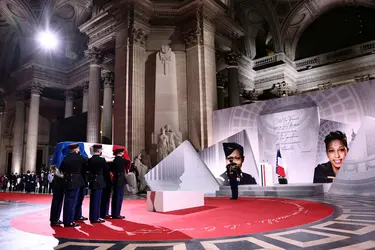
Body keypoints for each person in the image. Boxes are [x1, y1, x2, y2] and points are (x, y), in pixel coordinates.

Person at [60, 143, 87, 227]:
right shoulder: (80, 158)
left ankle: (66, 220)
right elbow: (86, 165)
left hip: (67, 180)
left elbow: (61, 169)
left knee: (67, 201)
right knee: (73, 202)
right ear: (76, 149)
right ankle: (69, 221)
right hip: (76, 181)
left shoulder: (65, 158)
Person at [88, 144, 108, 223]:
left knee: (93, 200)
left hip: (93, 180)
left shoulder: (90, 160)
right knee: (98, 200)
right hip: (99, 180)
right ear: (99, 151)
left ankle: (92, 217)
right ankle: (96, 217)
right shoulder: (102, 160)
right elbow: (106, 170)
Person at [110, 148, 130, 219]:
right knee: (119, 197)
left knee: (115, 197)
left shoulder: (114, 160)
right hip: (120, 179)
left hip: (115, 179)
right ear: (121, 153)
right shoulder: (122, 160)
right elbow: (128, 161)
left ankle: (113, 213)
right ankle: (117, 214)